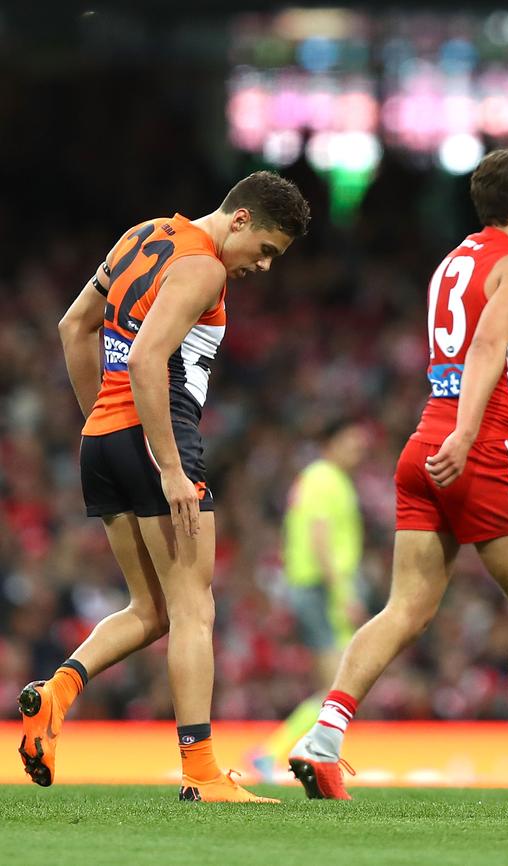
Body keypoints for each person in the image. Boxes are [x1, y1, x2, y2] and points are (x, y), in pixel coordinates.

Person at [288, 146, 508, 803]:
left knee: (406, 607)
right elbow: (484, 351)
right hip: (478, 449)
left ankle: (324, 738)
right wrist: (472, 435)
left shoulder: (453, 264)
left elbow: (466, 370)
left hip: (424, 446)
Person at [17, 170, 310, 803]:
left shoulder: (142, 235)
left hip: (106, 438)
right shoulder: (204, 267)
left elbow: (74, 327)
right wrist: (173, 468)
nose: (262, 267)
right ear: (240, 220)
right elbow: (151, 358)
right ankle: (202, 772)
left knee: (150, 610)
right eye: (265, 250)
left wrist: (102, 417)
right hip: (159, 438)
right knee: (193, 609)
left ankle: (58, 692)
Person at [250, 419, 368, 780]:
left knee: (338, 685)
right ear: (331, 441)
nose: (359, 451)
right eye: (352, 442)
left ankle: (290, 751)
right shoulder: (325, 479)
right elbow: (320, 540)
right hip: (322, 589)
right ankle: (275, 752)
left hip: (315, 588)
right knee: (339, 687)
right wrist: (343, 594)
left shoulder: (318, 478)